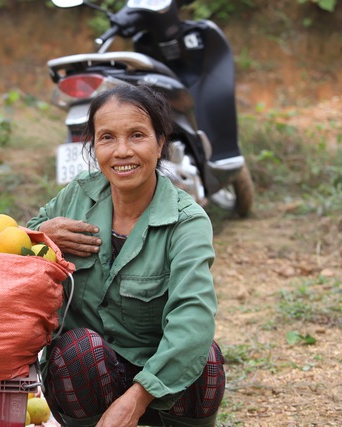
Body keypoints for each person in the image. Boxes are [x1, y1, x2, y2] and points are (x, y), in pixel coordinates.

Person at [26, 85, 225, 427]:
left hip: (162, 382)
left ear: (160, 142)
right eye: (107, 138)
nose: (122, 151)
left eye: (136, 136)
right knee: (77, 349)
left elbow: (193, 318)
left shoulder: (186, 221)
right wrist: (39, 236)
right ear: (93, 145)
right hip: (91, 375)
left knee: (203, 358)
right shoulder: (78, 196)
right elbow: (13, 254)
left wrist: (138, 396)